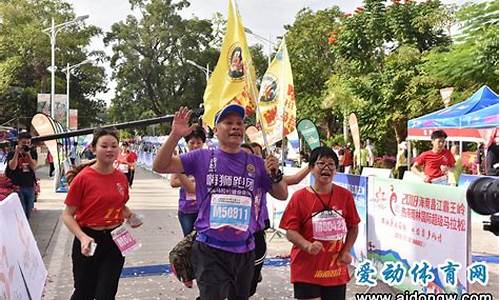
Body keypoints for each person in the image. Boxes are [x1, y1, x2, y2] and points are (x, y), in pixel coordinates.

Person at [153, 105, 288, 300]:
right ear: (215, 130)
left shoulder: (257, 163)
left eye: (239, 123)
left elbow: (282, 194)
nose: (235, 127)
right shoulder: (202, 157)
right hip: (210, 249)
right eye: (228, 123)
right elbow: (160, 165)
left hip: (245, 250)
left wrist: (275, 175)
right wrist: (175, 135)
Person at [62, 128, 141, 299]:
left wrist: (131, 216)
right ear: (93, 148)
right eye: (104, 146)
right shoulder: (83, 178)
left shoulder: (121, 178)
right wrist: (82, 237)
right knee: (84, 292)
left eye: (114, 146)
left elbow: (120, 205)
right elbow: (67, 215)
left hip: (115, 239)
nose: (110, 150)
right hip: (89, 240)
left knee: (107, 293)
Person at [279, 146, 360, 300]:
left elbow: (354, 227)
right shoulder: (299, 197)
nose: (326, 168)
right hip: (306, 270)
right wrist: (307, 246)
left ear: (336, 170)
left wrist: (346, 251)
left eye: (331, 165)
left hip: (335, 269)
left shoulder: (345, 196)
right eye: (321, 163)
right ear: (311, 168)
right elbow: (290, 231)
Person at [170, 126, 206, 236]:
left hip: (204, 209)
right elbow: (173, 182)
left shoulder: (209, 161)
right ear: (187, 143)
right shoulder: (180, 160)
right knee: (188, 240)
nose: (195, 146)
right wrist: (190, 180)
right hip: (186, 210)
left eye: (198, 143)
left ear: (203, 143)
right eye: (192, 142)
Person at [6, 132, 38, 219]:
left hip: (29, 186)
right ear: (18, 142)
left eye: (28, 143)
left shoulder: (32, 152)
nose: (26, 145)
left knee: (28, 211)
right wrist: (16, 153)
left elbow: (34, 167)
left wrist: (28, 154)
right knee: (21, 212)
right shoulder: (12, 153)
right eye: (24, 143)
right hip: (17, 186)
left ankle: (25, 230)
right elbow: (12, 167)